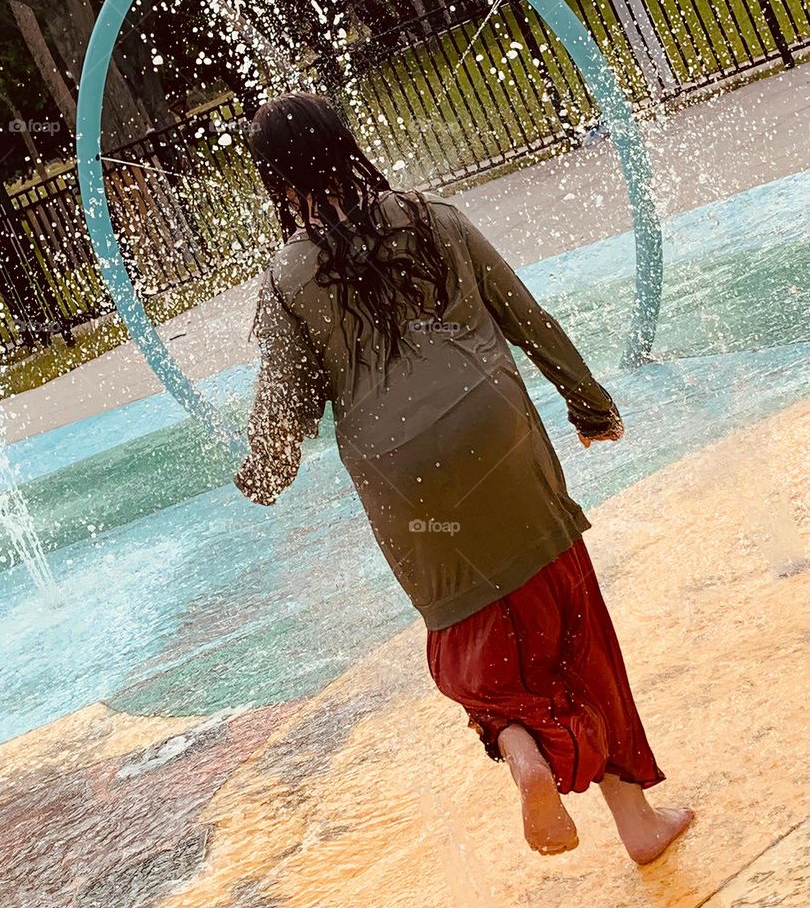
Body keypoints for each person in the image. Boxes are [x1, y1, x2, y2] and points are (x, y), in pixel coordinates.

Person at [236, 92, 693, 862]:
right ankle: (637, 825)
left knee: (468, 632)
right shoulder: (430, 217)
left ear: (275, 183)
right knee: (572, 619)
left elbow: (283, 417)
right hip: (497, 438)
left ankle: (519, 747)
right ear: (347, 144)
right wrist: (589, 407)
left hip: (405, 485)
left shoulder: (285, 279)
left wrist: (261, 474)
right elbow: (526, 316)